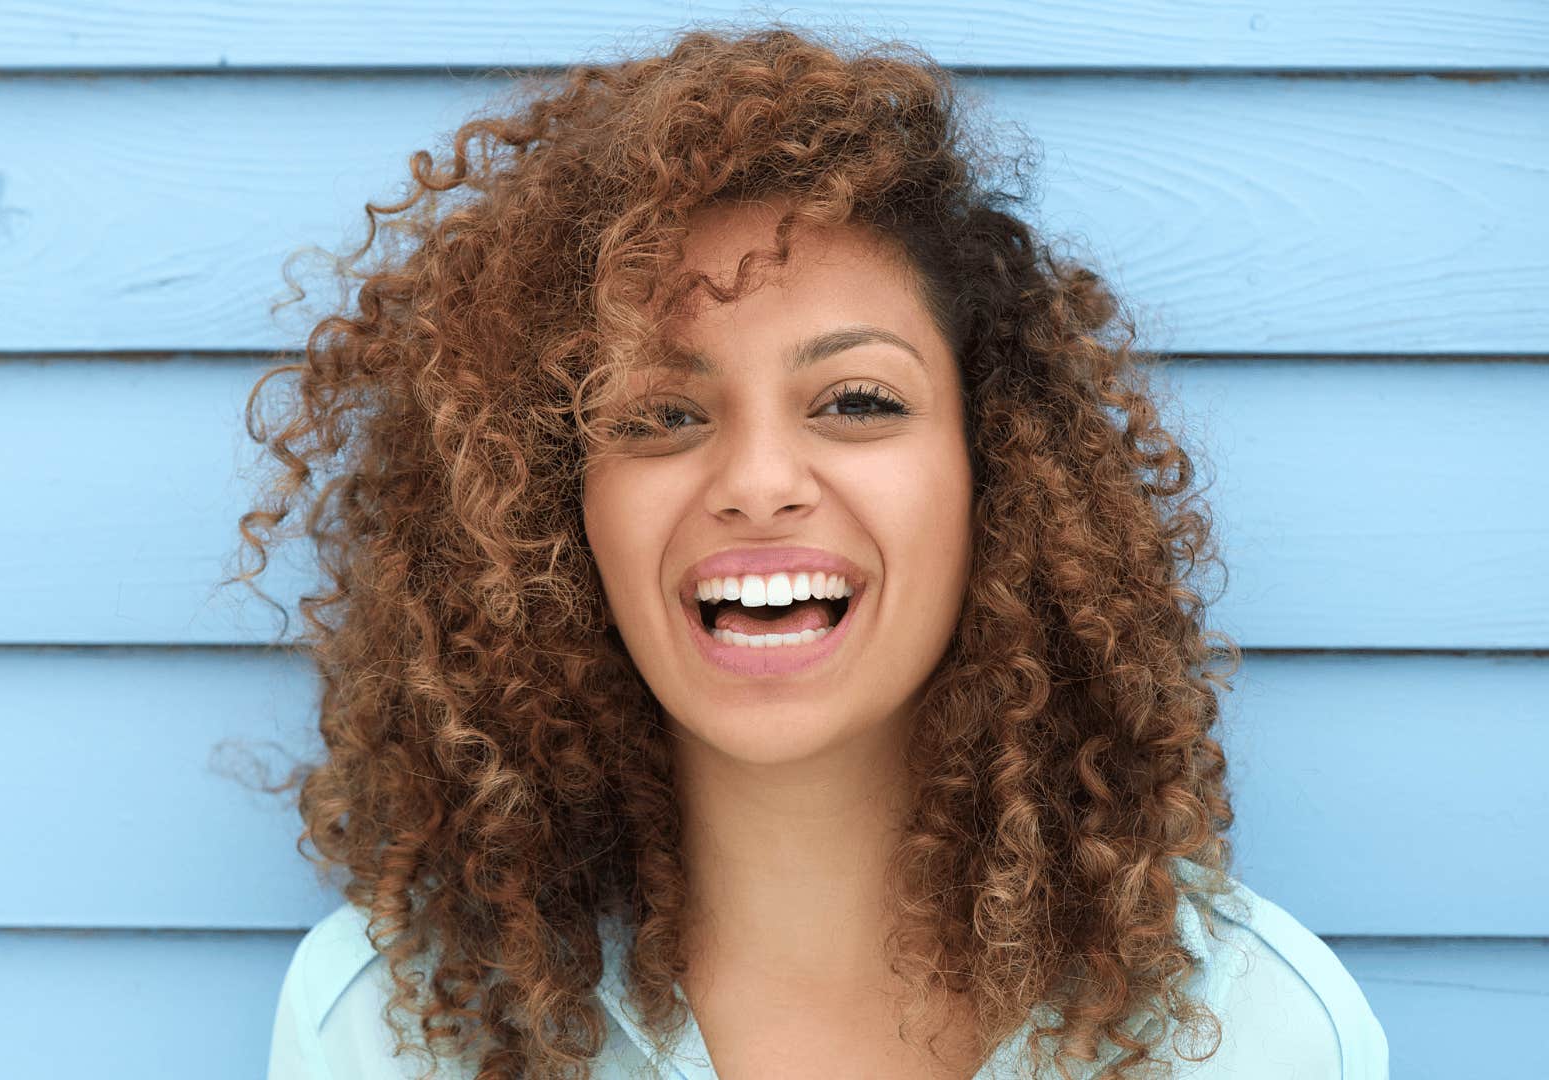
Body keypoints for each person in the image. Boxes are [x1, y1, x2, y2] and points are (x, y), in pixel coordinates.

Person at [239, 23, 1390, 1080]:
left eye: (854, 401)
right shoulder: (390, 1024)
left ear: (995, 475)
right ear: (550, 512)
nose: (756, 484)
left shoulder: (1255, 1033)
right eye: (658, 417)